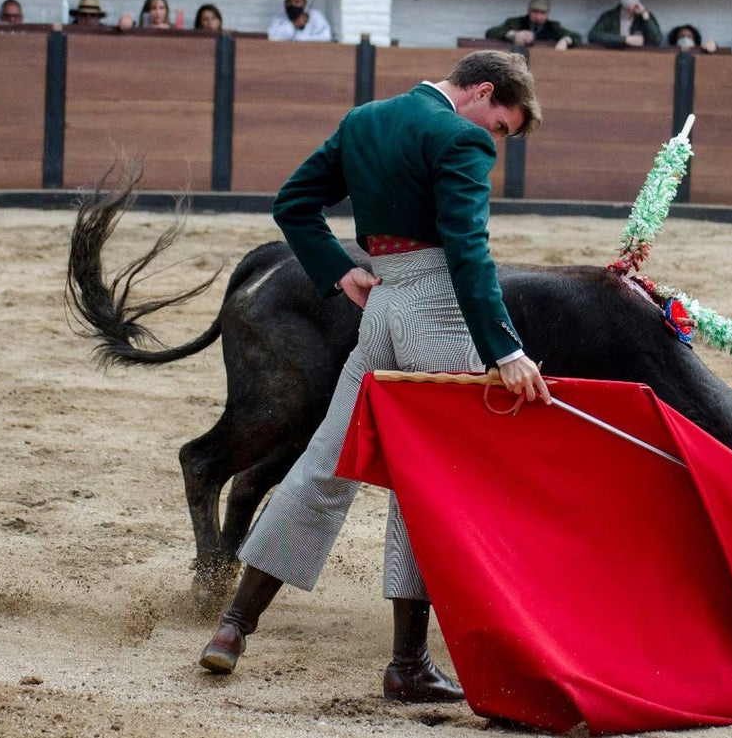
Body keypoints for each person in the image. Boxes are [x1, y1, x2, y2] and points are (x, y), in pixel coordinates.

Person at [197, 50, 551, 704]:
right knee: (427, 485)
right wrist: (503, 349)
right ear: (480, 92)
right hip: (439, 313)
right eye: (502, 125)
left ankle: (232, 627)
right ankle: (408, 664)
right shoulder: (461, 137)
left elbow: (294, 202)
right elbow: (468, 248)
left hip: (382, 306)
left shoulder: (364, 120)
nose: (496, 140)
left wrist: (339, 267)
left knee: (322, 466)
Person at [484, 0, 580, 50]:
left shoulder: (554, 26)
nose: (538, 16)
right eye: (535, 12)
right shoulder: (515, 22)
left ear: (547, 13)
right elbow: (491, 33)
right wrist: (513, 35)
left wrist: (565, 40)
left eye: (542, 13)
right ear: (529, 10)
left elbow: (576, 36)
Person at [588, 0, 661, 49]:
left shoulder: (645, 16)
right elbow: (594, 36)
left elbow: (656, 40)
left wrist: (645, 15)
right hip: (613, 57)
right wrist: (625, 40)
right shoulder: (609, 16)